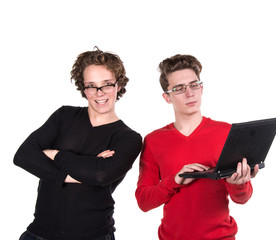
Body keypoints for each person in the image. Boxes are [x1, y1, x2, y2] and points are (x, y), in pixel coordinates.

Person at [14, 47, 142, 240]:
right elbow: (23, 156)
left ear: (118, 85)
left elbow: (100, 175)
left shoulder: (128, 138)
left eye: (107, 84)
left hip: (93, 235)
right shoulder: (64, 116)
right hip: (39, 233)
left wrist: (55, 155)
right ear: (84, 88)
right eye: (91, 85)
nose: (99, 93)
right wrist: (84, 168)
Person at [135, 54, 259, 240]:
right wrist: (175, 180)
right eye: (179, 88)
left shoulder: (226, 132)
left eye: (194, 85)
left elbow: (242, 198)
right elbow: (144, 201)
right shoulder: (154, 140)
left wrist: (238, 183)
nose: (189, 93)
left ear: (201, 88)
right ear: (166, 97)